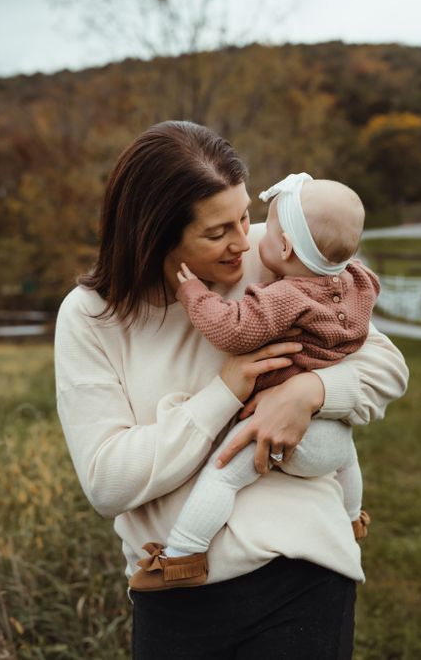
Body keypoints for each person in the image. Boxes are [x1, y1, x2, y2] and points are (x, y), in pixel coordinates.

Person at [53, 121, 409, 658]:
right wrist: (225, 390)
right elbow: (108, 481)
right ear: (154, 236)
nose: (244, 241)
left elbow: (385, 364)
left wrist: (308, 391)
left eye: (245, 215)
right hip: (174, 590)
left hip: (303, 570)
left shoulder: (278, 256)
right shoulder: (91, 318)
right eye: (217, 232)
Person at [128, 174, 378, 591]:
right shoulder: (360, 282)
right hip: (334, 435)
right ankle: (353, 517)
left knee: (223, 472)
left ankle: (182, 556)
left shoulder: (286, 296)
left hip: (282, 433)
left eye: (267, 225)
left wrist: (192, 293)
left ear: (284, 248)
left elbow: (232, 330)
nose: (249, 238)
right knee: (348, 459)